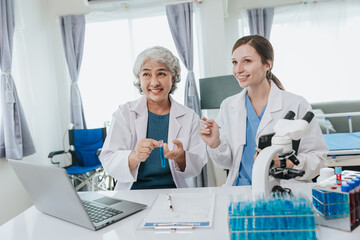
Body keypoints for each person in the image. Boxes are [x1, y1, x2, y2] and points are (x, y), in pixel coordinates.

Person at [200, 35, 328, 186]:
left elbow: (319, 159)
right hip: (240, 190)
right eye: (235, 62)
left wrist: (287, 163)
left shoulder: (296, 104)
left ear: (267, 64)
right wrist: (215, 143)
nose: (238, 69)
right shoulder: (228, 106)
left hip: (283, 191)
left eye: (247, 61)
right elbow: (226, 163)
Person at [100, 46, 207, 190]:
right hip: (133, 192)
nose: (154, 82)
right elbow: (109, 160)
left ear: (173, 77)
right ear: (139, 78)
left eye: (161, 74)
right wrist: (135, 156)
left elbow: (196, 167)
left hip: (174, 192)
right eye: (146, 74)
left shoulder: (190, 117)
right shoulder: (125, 113)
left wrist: (181, 157)